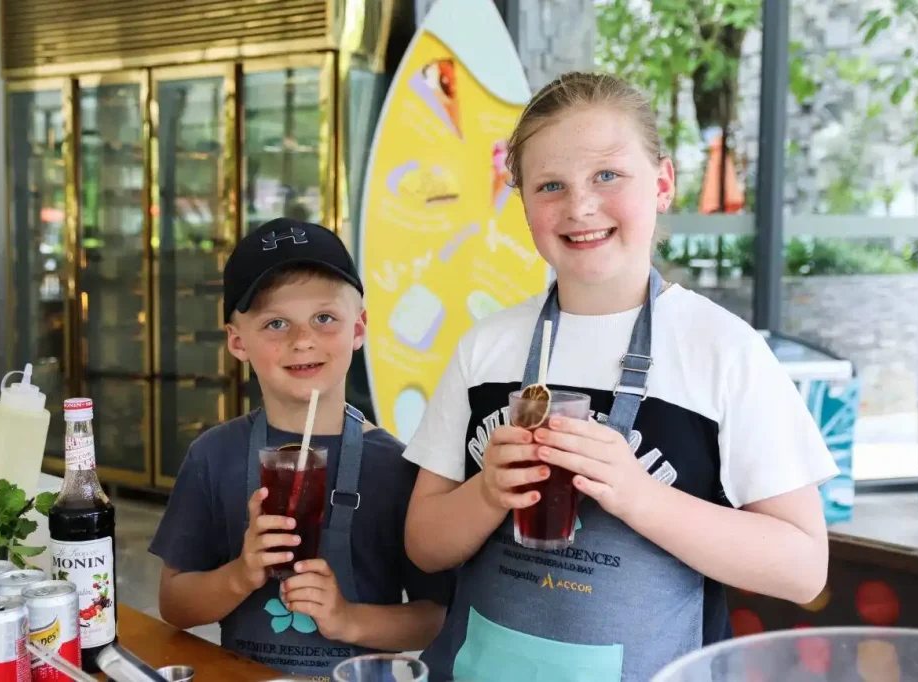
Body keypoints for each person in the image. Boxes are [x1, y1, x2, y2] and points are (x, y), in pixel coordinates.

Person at [402, 72, 838, 682]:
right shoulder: (486, 348)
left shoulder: (723, 351)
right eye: (550, 184)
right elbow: (423, 543)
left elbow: (802, 567)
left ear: (661, 184)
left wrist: (638, 495)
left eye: (607, 175)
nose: (579, 206)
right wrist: (485, 493)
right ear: (521, 200)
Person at [149, 217, 454, 680]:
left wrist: (347, 618)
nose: (303, 340)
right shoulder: (213, 457)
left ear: (359, 328)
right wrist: (241, 573)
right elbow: (175, 605)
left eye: (324, 318)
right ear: (237, 341)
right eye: (276, 323)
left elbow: (437, 619)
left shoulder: (398, 467)